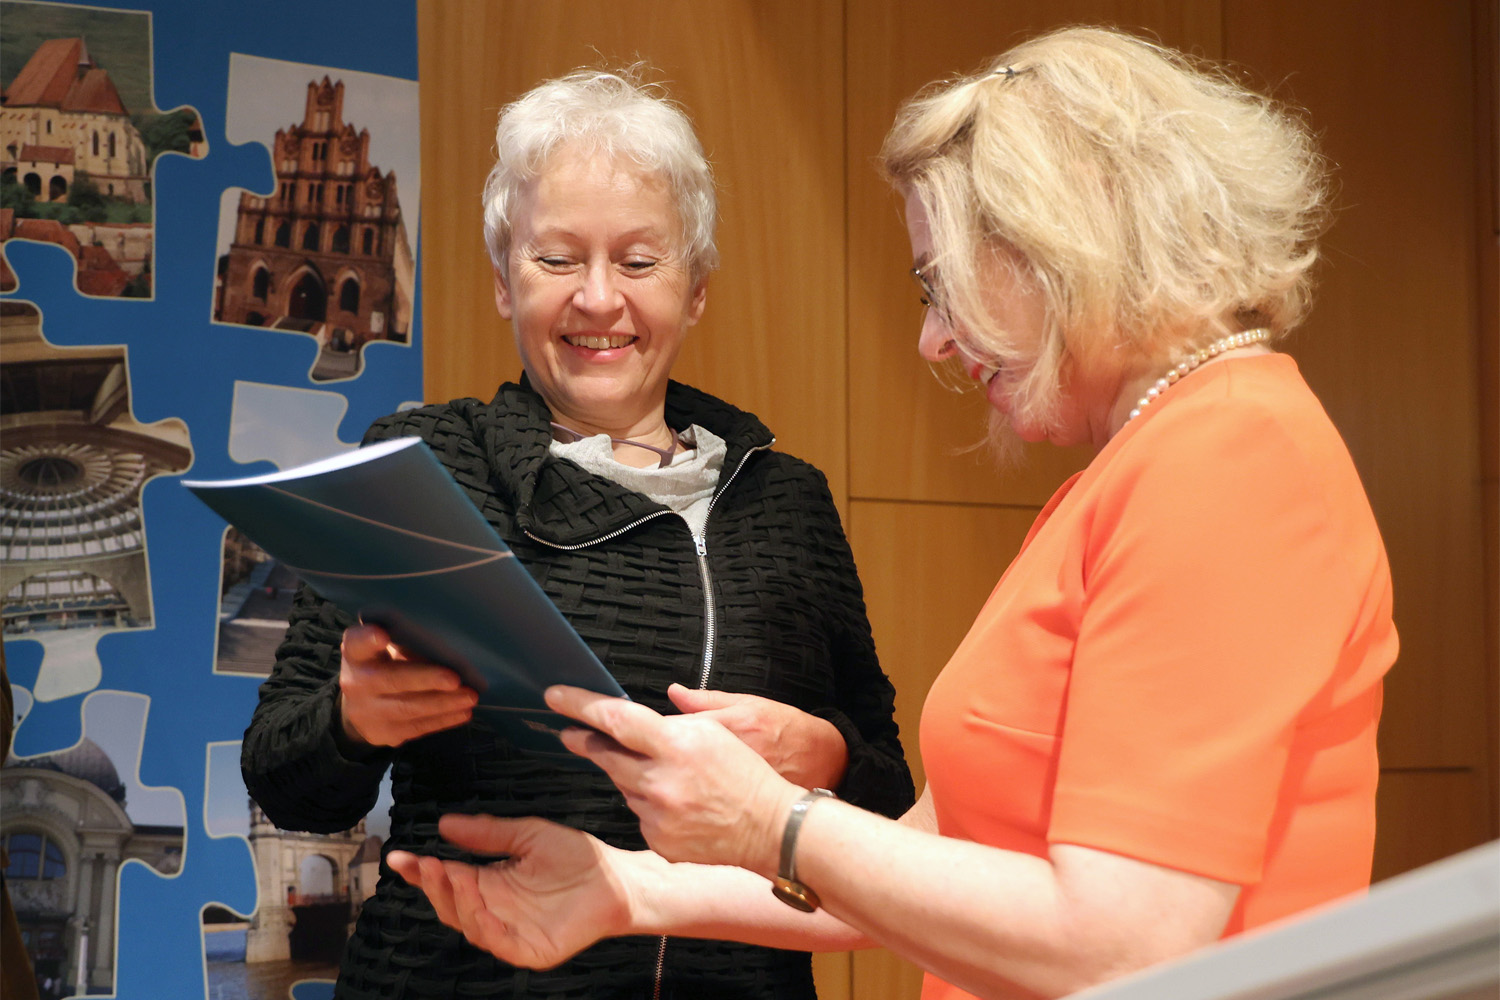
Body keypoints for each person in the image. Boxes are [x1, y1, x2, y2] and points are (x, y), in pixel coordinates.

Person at [386, 26, 1399, 1000]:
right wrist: (631, 886)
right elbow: (935, 858)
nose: (932, 339)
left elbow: (1124, 942)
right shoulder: (1129, 473)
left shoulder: (1229, 460)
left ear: (1065, 244)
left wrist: (770, 819)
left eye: (938, 285)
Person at [241, 67, 914, 1000]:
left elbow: (894, 805)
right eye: (557, 260)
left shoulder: (788, 500)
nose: (599, 300)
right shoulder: (426, 460)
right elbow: (284, 778)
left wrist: (828, 754)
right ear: (503, 283)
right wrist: (353, 721)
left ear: (699, 287)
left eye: (639, 263)